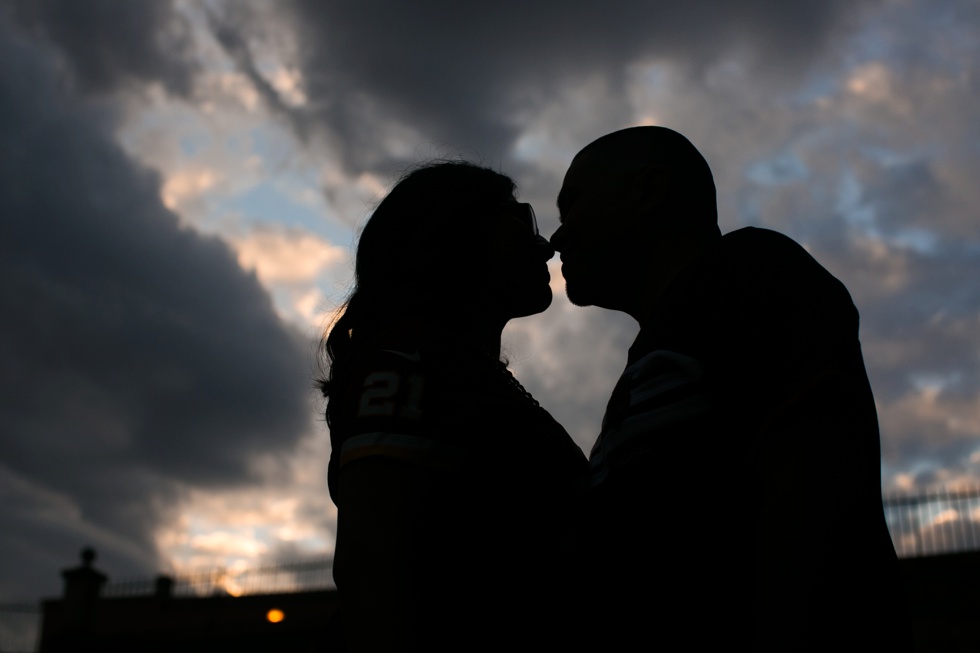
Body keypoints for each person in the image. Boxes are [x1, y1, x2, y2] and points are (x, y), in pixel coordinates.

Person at [550, 127, 909, 650]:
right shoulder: (658, 349)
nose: (557, 238)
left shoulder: (750, 270)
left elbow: (815, 488)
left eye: (572, 205)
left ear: (647, 191)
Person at [319, 161, 589, 651]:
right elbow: (377, 573)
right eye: (519, 220)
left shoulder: (450, 371)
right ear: (453, 236)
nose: (545, 244)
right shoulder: (406, 364)